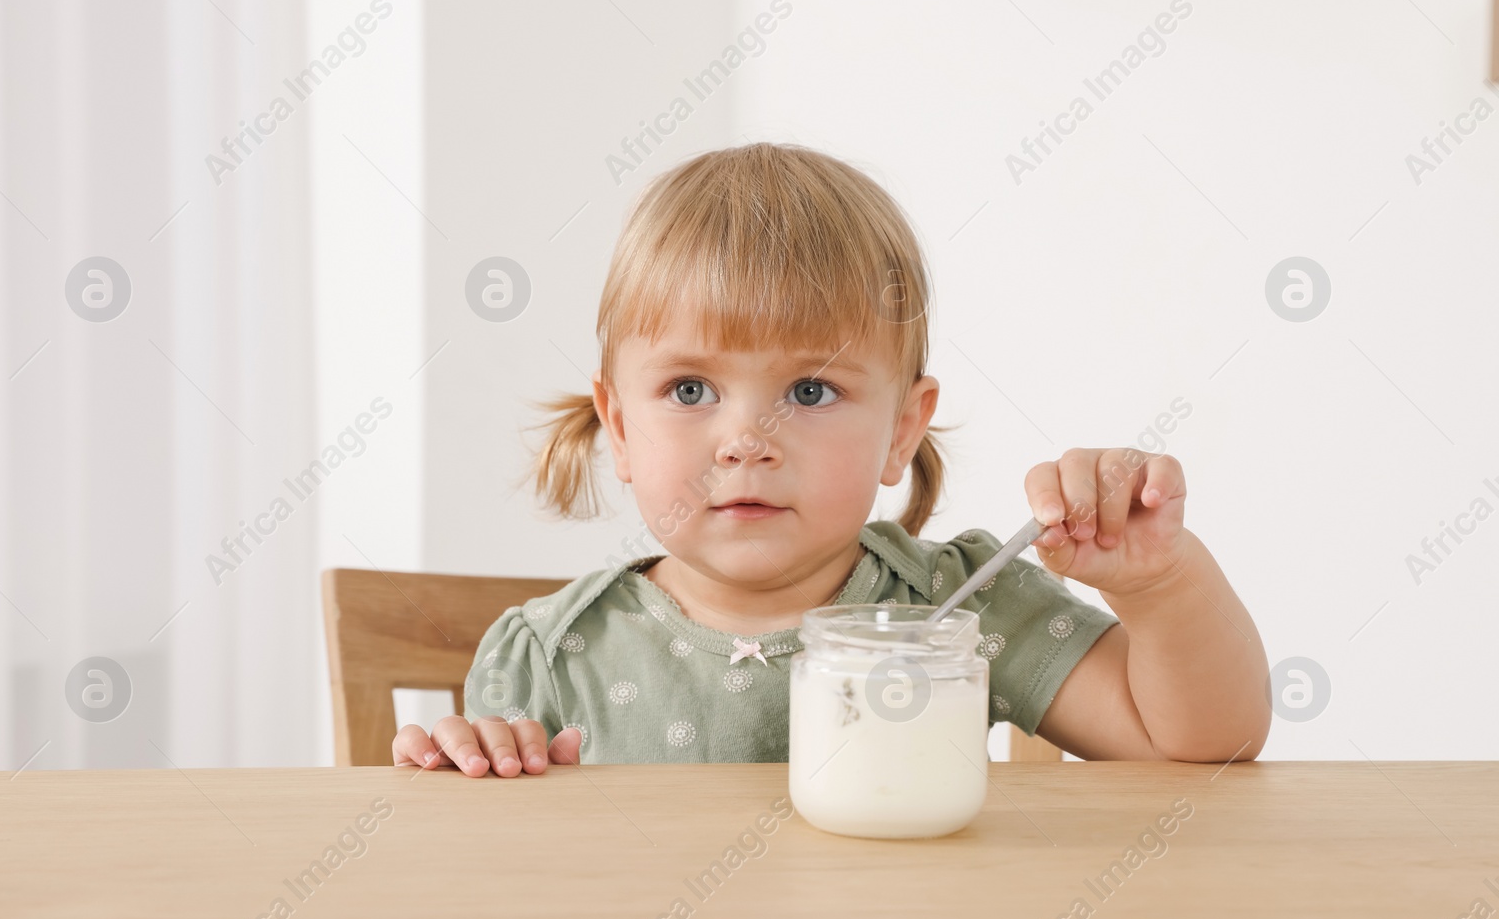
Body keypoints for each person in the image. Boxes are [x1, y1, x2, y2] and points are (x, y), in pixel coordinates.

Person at [392, 142, 1270, 776]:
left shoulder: (957, 611)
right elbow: (496, 884)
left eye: (810, 392)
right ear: (618, 427)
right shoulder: (552, 655)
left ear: (902, 429)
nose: (746, 440)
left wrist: (1161, 585)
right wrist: (467, 767)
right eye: (691, 390)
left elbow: (1195, 743)